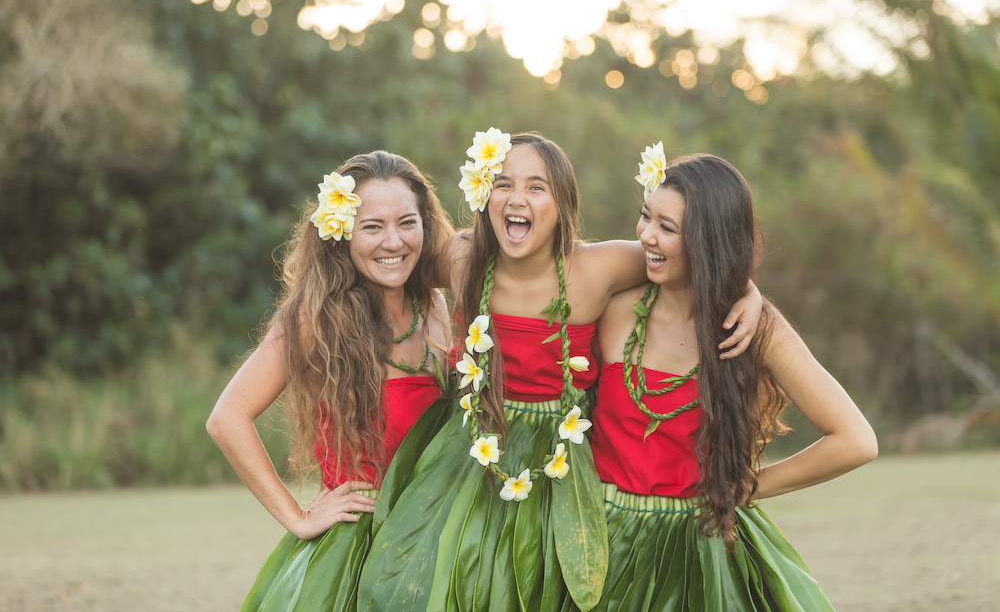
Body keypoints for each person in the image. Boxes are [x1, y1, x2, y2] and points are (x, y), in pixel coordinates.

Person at [358, 131, 764, 611]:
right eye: (503, 184)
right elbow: (389, 259)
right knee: (449, 581)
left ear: (563, 204)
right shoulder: (463, 256)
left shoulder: (600, 267)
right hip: (471, 452)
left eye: (537, 187)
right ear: (483, 194)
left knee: (543, 585)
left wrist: (749, 293)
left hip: (561, 461)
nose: (517, 198)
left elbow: (694, 254)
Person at [581, 151, 879, 611]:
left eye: (667, 227)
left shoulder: (755, 327)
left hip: (703, 552)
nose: (645, 236)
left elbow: (856, 440)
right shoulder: (614, 305)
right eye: (645, 216)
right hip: (600, 548)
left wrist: (746, 487)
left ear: (707, 241)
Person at [206, 151, 454, 612]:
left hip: (437, 541)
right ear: (342, 234)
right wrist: (299, 518)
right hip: (358, 554)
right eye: (372, 226)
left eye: (407, 222)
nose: (393, 241)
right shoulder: (316, 318)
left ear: (426, 225)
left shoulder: (437, 309)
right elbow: (227, 418)